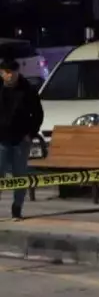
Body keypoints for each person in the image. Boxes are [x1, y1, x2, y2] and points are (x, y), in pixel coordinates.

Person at [0, 57, 43, 221]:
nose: (10, 76)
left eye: (13, 72)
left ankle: (17, 208)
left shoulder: (28, 90)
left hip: (20, 140)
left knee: (19, 175)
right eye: (7, 72)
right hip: (1, 140)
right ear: (2, 73)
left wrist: (30, 134)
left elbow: (38, 114)